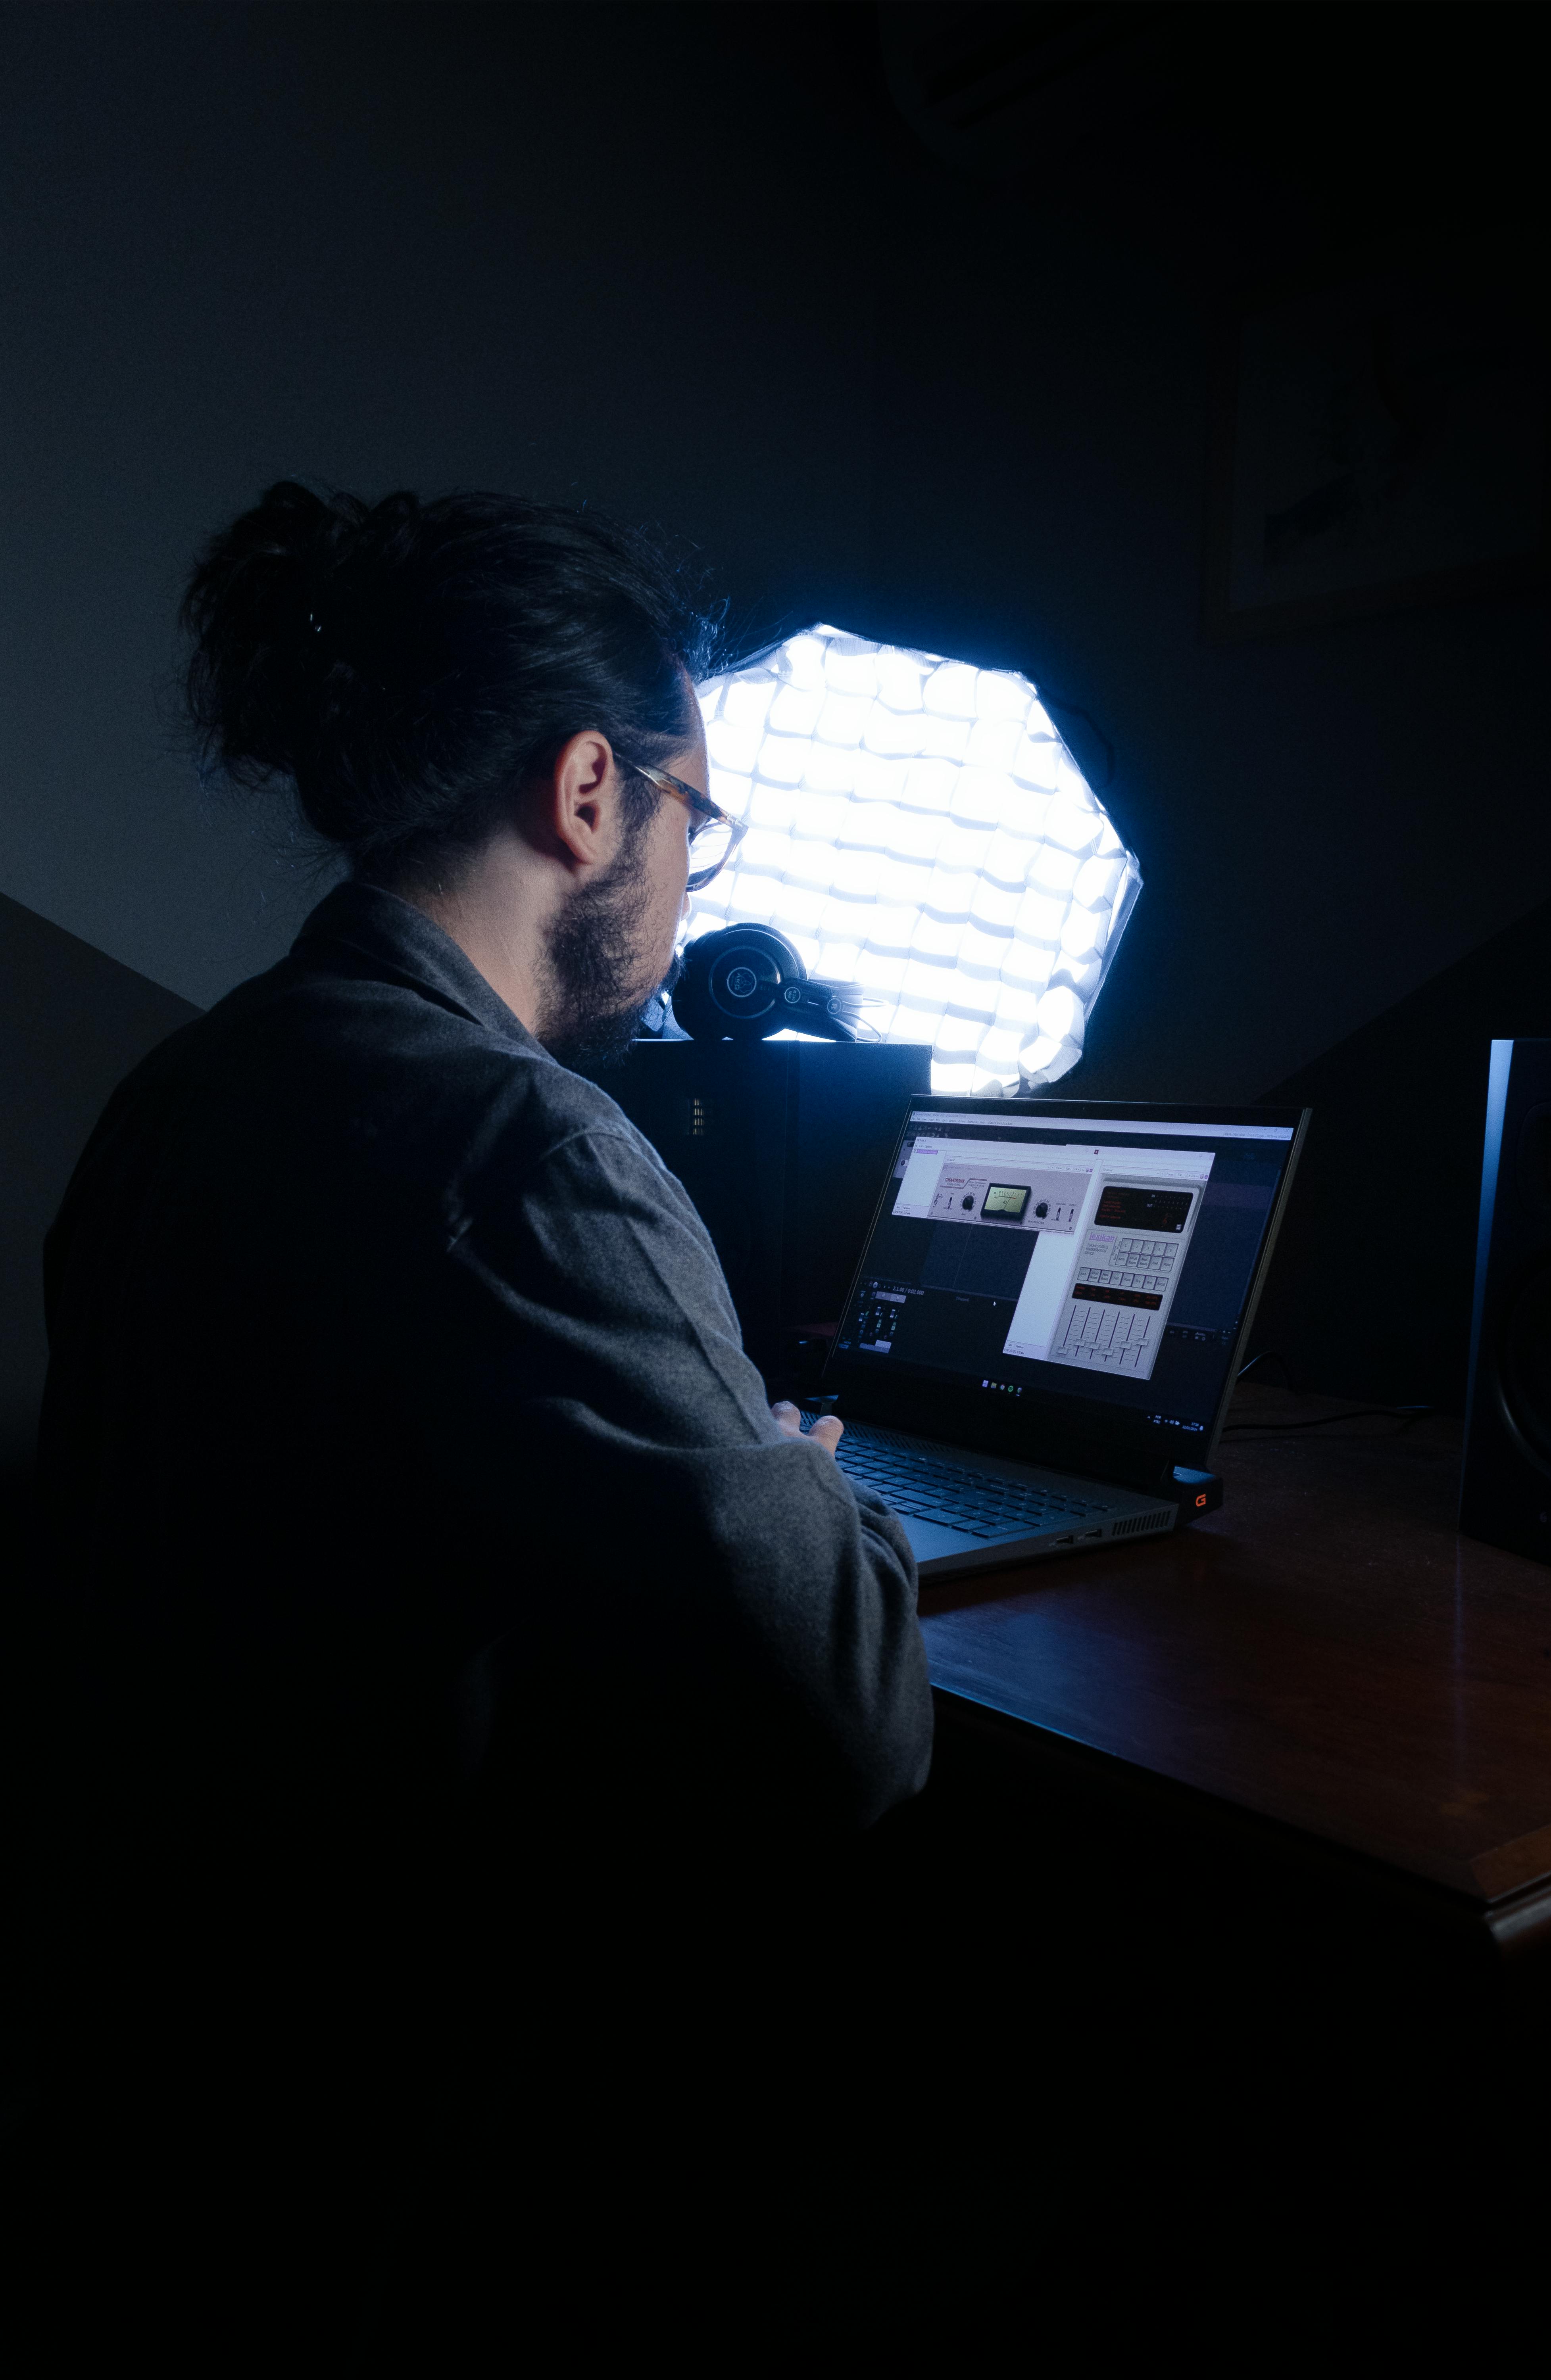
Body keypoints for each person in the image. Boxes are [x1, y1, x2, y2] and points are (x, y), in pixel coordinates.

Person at [25, 485, 933, 2365]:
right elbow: (852, 1726)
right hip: (422, 2115)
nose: (689, 887)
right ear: (590, 792)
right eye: (699, 820)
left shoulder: (179, 1090)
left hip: (153, 2058)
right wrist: (799, 1476)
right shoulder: (528, 1144)